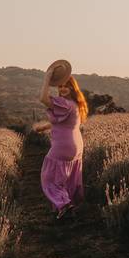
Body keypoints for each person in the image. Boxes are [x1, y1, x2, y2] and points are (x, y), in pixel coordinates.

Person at [33, 67, 88, 219]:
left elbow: (43, 99)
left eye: (66, 86)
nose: (63, 89)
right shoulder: (75, 105)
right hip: (76, 145)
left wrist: (47, 78)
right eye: (60, 86)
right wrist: (44, 127)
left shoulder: (65, 103)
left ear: (72, 87)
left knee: (48, 177)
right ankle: (69, 207)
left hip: (63, 146)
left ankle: (63, 204)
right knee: (68, 177)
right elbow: (63, 122)